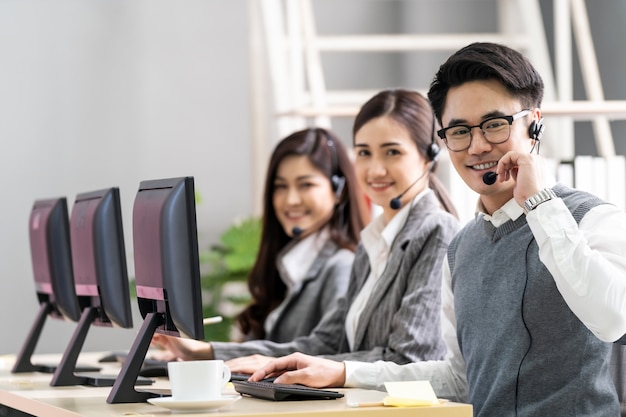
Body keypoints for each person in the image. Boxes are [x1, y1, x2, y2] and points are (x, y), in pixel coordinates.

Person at [250, 42, 626, 417]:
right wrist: (345, 372)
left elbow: (613, 319)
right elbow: (460, 379)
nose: (477, 146)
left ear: (534, 123)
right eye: (459, 131)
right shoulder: (462, 248)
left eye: (494, 125)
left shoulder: (592, 218)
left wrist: (541, 202)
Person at [153, 89, 460, 373]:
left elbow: (410, 358)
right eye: (364, 153)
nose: (375, 169)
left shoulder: (436, 230)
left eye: (392, 152)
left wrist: (316, 369)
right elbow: (324, 344)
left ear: (429, 156)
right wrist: (207, 352)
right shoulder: (373, 243)